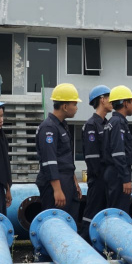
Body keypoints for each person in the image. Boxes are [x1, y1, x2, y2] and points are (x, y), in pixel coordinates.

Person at [36, 83, 82, 219]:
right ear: (65, 106)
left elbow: (67, 158)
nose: (76, 108)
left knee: (69, 218)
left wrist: (74, 183)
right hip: (55, 182)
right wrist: (57, 190)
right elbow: (49, 161)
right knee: (56, 220)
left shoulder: (62, 126)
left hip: (66, 180)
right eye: (74, 104)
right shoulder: (48, 128)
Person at [79, 85, 111, 237]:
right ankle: (85, 241)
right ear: (102, 100)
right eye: (109, 97)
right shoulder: (92, 125)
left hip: (107, 178)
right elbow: (91, 156)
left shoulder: (107, 124)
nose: (112, 101)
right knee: (92, 212)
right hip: (98, 179)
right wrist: (100, 176)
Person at [102, 85, 132, 212]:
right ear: (126, 103)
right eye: (131, 102)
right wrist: (125, 178)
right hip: (118, 175)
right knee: (119, 211)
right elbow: (118, 153)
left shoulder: (112, 121)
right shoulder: (118, 123)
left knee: (114, 209)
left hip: (113, 172)